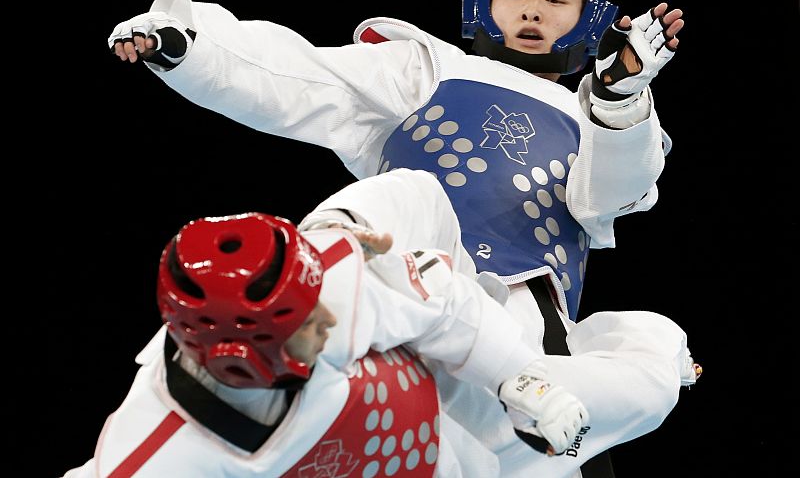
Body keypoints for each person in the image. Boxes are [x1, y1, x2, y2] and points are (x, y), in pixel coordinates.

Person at [108, 0, 682, 324]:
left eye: (558, 0)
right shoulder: (427, 68)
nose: (533, 8)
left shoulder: (612, 120)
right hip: (398, 286)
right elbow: (297, 76)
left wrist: (620, 97)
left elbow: (608, 199)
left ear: (593, 20)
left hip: (521, 325)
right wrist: (192, 46)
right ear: (482, 4)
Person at [62, 169, 699, 478]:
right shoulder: (157, 455)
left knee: (646, 389)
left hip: (452, 398)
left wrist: (520, 380)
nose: (332, 316)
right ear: (241, 357)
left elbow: (442, 299)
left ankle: (668, 356)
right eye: (307, 323)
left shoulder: (331, 269)